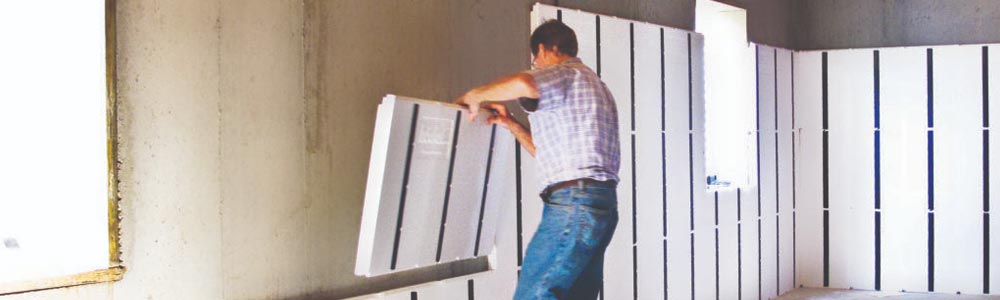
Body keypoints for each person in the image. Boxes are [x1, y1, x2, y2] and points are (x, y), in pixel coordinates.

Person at [454, 19, 621, 300]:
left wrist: (475, 96)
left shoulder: (565, 74)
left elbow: (523, 83)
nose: (535, 65)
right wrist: (512, 125)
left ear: (542, 50)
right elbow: (551, 154)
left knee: (534, 294)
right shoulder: (596, 87)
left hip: (573, 206)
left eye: (535, 60)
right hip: (598, 205)